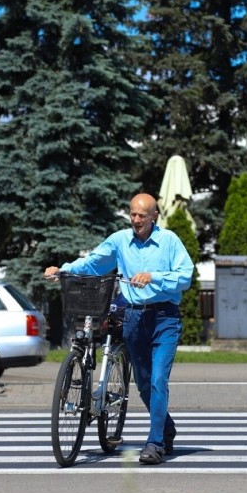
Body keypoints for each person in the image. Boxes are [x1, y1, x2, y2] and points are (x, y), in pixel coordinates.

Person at [44, 193, 194, 465]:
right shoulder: (120, 240)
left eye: (142, 215)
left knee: (159, 379)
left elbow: (186, 276)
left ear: (154, 217)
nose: (136, 220)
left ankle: (155, 443)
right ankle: (167, 427)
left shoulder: (169, 241)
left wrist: (154, 276)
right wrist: (63, 270)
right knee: (145, 384)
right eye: (133, 214)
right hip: (134, 318)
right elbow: (93, 261)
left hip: (165, 319)